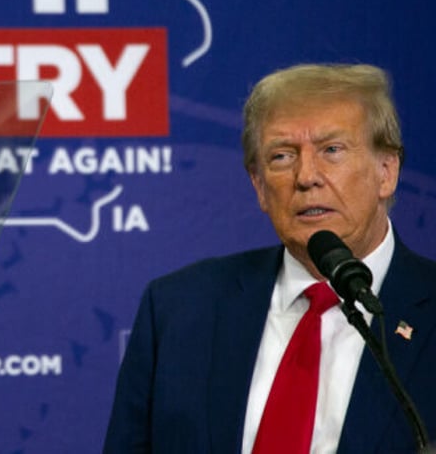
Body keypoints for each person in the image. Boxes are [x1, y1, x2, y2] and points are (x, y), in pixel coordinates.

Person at [103, 63, 436, 453]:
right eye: (282, 156)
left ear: (387, 171)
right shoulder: (178, 310)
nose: (306, 176)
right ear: (259, 186)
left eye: (332, 150)